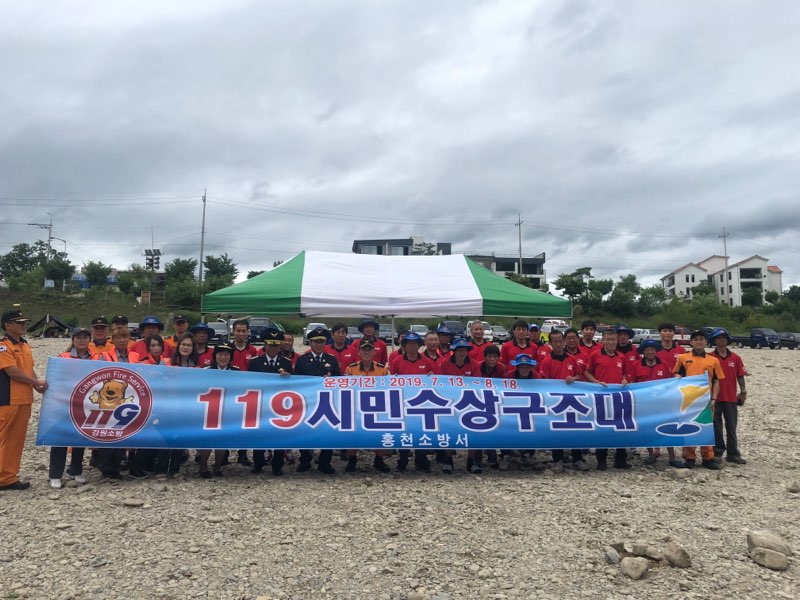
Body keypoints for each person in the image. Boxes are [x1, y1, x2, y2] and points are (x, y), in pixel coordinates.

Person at [0, 310, 47, 491]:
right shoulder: (3, 346)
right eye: (18, 322)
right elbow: (13, 372)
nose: (23, 325)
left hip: (24, 399)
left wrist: (36, 386)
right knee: (4, 438)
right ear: (7, 325)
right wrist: (35, 382)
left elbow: (28, 368)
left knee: (16, 440)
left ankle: (7, 477)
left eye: (24, 322)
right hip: (7, 399)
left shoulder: (24, 344)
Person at [673, 330, 725, 470]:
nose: (699, 342)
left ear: (706, 342)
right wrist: (677, 376)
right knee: (690, 427)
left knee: (706, 427)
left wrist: (714, 398)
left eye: (701, 339)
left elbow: (716, 381)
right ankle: (690, 457)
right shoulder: (682, 358)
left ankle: (708, 457)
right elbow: (676, 373)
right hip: (689, 400)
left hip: (706, 400)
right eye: (695, 339)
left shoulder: (713, 360)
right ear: (691, 342)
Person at [628, 339, 684, 468]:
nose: (650, 352)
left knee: (668, 428)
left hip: (662, 404)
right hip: (645, 404)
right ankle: (651, 455)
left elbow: (670, 381)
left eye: (652, 349)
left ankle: (672, 457)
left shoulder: (663, 364)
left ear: (656, 351)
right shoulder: (636, 365)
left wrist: (676, 377)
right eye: (647, 350)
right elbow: (632, 383)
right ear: (643, 352)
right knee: (648, 429)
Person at [48, 327, 93, 488]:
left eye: (85, 337)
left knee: (80, 438)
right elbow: (57, 378)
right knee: (60, 438)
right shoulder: (63, 357)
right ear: (73, 340)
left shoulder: (97, 358)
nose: (82, 340)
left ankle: (76, 471)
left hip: (86, 404)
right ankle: (55, 474)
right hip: (65, 403)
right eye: (78, 337)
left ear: (89, 340)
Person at [538, 330, 588, 473]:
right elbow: (543, 382)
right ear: (550, 343)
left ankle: (577, 458)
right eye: (555, 341)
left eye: (560, 341)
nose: (558, 344)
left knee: (574, 430)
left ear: (564, 341)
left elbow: (580, 375)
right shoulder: (547, 361)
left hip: (572, 402)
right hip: (555, 402)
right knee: (556, 431)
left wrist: (574, 378)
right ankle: (557, 459)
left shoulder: (571, 359)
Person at [294, 326, 341, 474]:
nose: (319, 344)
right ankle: (305, 460)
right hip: (307, 402)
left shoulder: (331, 359)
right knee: (304, 431)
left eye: (322, 341)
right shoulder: (302, 360)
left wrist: (331, 380)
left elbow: (339, 380)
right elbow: (296, 382)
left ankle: (325, 462)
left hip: (326, 402)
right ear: (310, 342)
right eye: (316, 341)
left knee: (327, 432)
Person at [93, 326, 139, 478]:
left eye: (124, 337)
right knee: (107, 432)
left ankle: (117, 466)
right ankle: (105, 467)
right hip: (109, 399)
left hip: (127, 398)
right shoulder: (104, 356)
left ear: (129, 339)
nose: (121, 340)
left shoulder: (136, 356)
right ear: (112, 340)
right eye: (118, 337)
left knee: (122, 432)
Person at [248, 329, 293, 476]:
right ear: (265, 345)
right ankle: (258, 463)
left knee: (279, 435)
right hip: (261, 404)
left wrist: (288, 378)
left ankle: (277, 465)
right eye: (270, 344)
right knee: (259, 434)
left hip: (279, 405)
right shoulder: (255, 362)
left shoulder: (286, 363)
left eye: (276, 345)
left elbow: (292, 386)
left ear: (280, 345)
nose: (273, 348)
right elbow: (249, 384)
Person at [584, 328, 631, 470]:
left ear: (617, 341)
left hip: (618, 398)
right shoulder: (595, 355)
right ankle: (601, 460)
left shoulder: (621, 356)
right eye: (608, 340)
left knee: (621, 428)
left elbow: (625, 374)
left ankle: (620, 459)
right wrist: (596, 382)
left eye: (613, 340)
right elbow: (587, 372)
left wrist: (624, 380)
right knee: (603, 428)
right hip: (601, 398)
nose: (611, 342)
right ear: (603, 341)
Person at [344, 340, 391, 473]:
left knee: (382, 432)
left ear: (374, 352)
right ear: (358, 352)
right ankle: (352, 459)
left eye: (369, 349)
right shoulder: (351, 368)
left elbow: (389, 387)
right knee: (352, 431)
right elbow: (344, 387)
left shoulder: (382, 369)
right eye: (363, 350)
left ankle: (379, 460)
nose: (366, 352)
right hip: (356, 406)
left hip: (378, 406)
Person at [390, 332, 434, 473]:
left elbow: (435, 380)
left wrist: (432, 377)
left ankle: (421, 459)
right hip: (402, 402)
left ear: (419, 345)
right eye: (409, 343)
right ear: (404, 345)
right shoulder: (397, 361)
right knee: (403, 430)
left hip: (421, 404)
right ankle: (402, 460)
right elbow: (391, 380)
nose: (412, 346)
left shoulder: (426, 361)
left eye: (415, 343)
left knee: (421, 431)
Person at [196, 343, 239, 478]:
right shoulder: (206, 371)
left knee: (222, 440)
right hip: (210, 410)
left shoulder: (237, 372)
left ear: (230, 357)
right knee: (207, 440)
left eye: (226, 355)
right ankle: (203, 467)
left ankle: (217, 467)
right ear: (215, 356)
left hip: (228, 410)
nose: (223, 357)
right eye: (220, 354)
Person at [708, 328, 748, 465]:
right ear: (714, 340)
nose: (721, 340)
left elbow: (740, 376)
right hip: (714, 398)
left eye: (724, 337)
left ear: (728, 339)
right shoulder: (710, 358)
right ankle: (717, 452)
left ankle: (733, 453)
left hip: (731, 398)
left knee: (732, 426)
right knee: (716, 426)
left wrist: (743, 392)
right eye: (718, 338)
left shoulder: (735, 358)